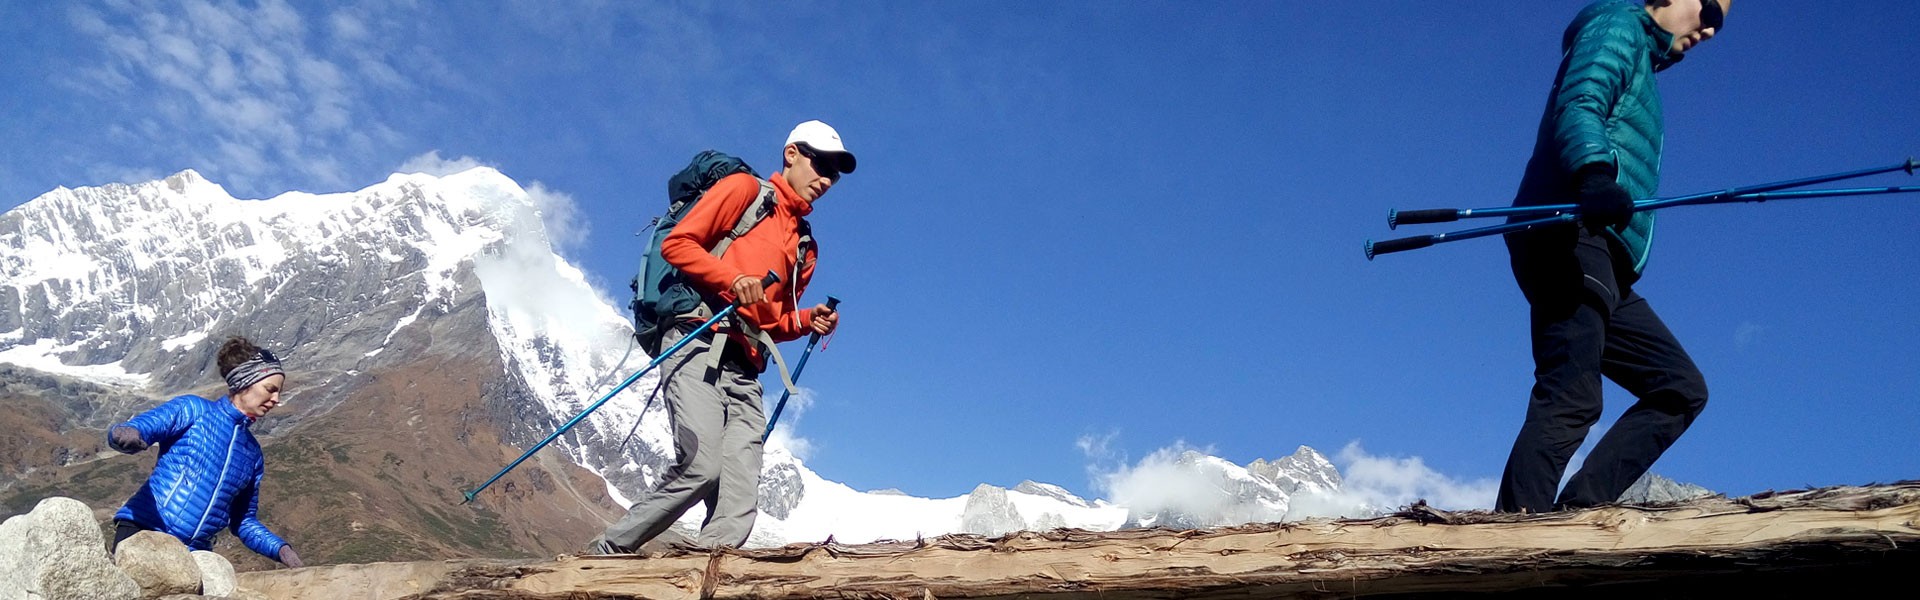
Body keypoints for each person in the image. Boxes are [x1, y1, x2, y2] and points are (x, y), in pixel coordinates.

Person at [1496, 0, 1729, 513]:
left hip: (1603, 255)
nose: (1711, 29)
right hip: (1571, 235)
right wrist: (1594, 174)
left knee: (1680, 387)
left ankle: (1580, 511)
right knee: (1571, 394)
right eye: (1710, 8)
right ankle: (1510, 536)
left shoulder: (1641, 57)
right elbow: (1582, 101)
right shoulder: (1617, 24)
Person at [591, 120, 849, 552]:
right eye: (820, 164)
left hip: (746, 368)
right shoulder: (744, 191)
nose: (825, 179)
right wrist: (734, 279)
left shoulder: (805, 245)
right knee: (702, 467)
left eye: (834, 175)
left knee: (739, 496)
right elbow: (678, 244)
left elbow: (771, 321)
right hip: (694, 340)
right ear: (792, 154)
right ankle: (608, 550)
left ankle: (701, 578)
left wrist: (807, 321)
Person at [106, 336, 304, 568]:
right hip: (144, 531)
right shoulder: (193, 410)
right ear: (244, 382)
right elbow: (141, 427)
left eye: (278, 393)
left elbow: (243, 520)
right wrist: (125, 435)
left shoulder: (253, 455)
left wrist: (280, 549)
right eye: (270, 390)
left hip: (193, 555)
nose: (276, 399)